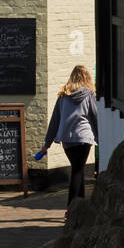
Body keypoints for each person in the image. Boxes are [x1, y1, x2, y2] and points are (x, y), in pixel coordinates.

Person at [38, 65, 99, 206]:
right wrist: (101, 138)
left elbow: (55, 121)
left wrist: (47, 144)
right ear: (87, 78)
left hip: (66, 139)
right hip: (83, 138)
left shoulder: (63, 96)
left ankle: (80, 206)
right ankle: (71, 207)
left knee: (79, 169)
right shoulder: (90, 95)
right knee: (78, 171)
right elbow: (95, 118)